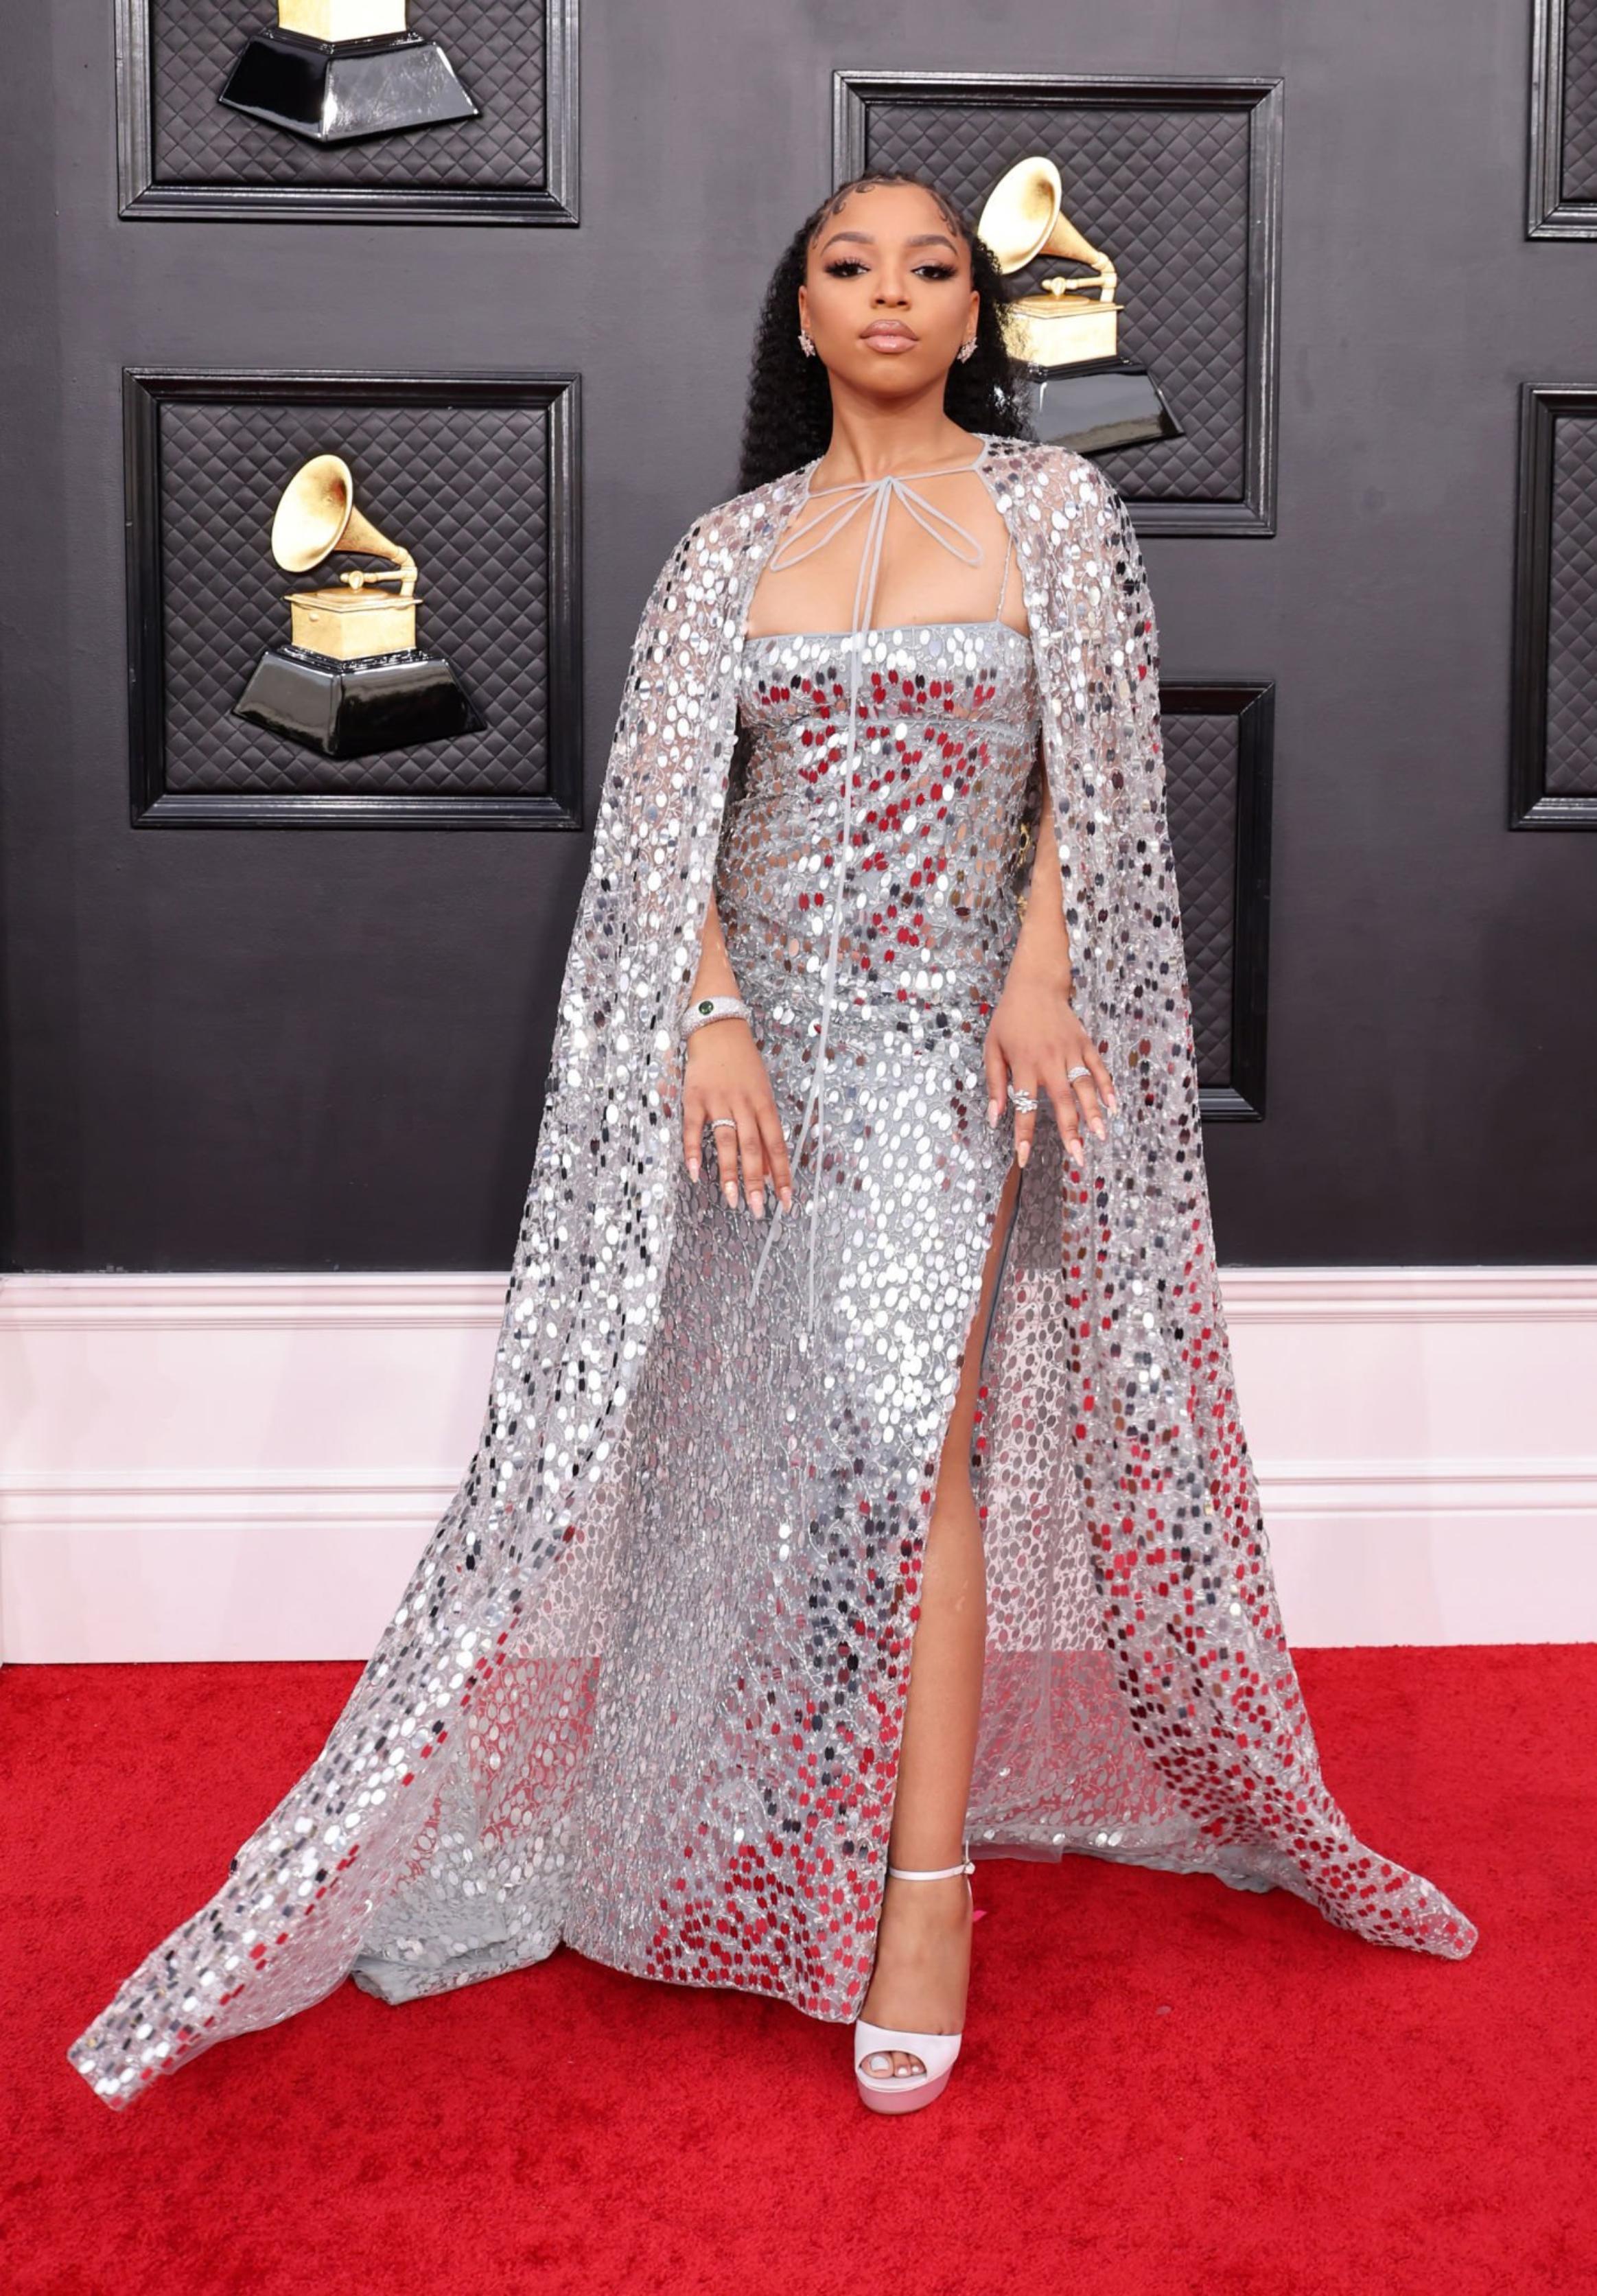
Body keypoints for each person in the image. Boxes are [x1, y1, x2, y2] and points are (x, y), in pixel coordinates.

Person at [69, 170, 1476, 2122]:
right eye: (850, 266)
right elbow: (672, 831)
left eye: (930, 267)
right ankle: (764, 1797)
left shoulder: (1055, 512)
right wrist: (711, 1026)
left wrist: (1044, 979)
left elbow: (1092, 779)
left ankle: (923, 1898)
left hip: (961, 1039)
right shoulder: (729, 551)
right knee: (777, 1445)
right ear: (801, 315)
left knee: (917, 1440)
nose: (892, 293)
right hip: (760, 1056)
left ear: (973, 316)